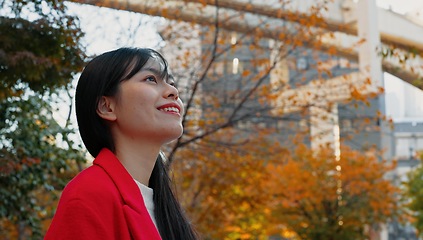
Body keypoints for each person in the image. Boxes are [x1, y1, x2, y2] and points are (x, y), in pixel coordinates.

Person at [45, 47, 198, 240]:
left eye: (172, 83)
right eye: (151, 79)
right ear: (107, 106)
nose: (173, 91)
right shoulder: (88, 196)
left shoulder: (162, 205)